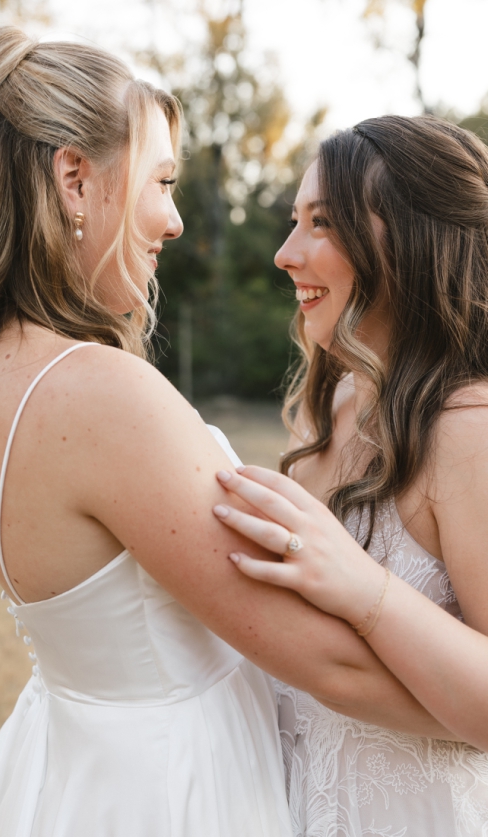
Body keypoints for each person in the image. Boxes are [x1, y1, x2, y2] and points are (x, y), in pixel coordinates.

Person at [0, 27, 452, 836]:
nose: (172, 220)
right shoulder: (99, 391)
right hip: (177, 788)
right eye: (161, 181)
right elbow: (330, 660)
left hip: (76, 763)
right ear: (73, 178)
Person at [211, 114, 488, 835]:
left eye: (321, 223)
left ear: (409, 241)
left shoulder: (468, 432)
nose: (283, 253)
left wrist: (363, 586)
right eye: (292, 221)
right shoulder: (328, 407)